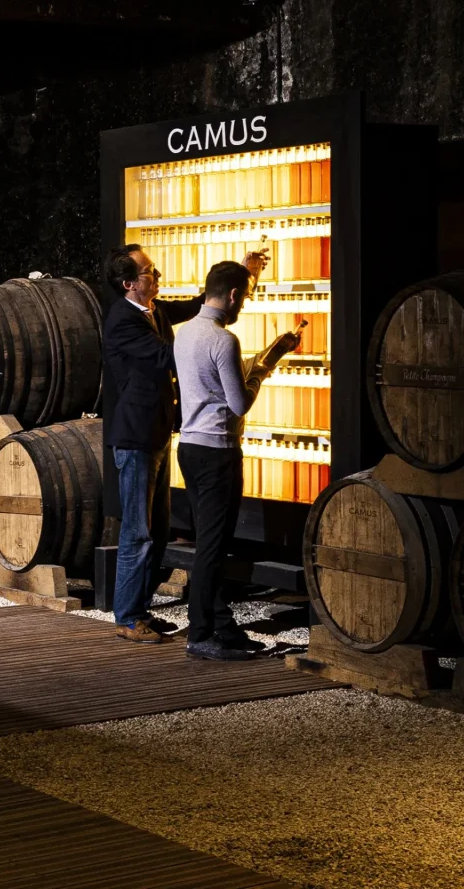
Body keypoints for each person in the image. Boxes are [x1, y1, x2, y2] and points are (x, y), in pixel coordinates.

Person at [103, 244, 266, 644]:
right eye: (149, 273)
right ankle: (127, 617)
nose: (157, 277)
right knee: (138, 531)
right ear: (130, 284)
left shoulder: (153, 310)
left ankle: (140, 610)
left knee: (158, 531)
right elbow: (167, 356)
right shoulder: (123, 321)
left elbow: (197, 305)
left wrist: (240, 276)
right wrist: (212, 345)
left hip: (159, 433)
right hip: (135, 437)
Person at [173, 260, 300, 661]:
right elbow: (239, 401)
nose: (243, 305)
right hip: (218, 453)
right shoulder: (223, 340)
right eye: (244, 296)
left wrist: (273, 351)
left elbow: (213, 384)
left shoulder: (184, 332)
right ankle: (201, 634)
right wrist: (263, 370)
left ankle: (222, 627)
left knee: (207, 542)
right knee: (213, 546)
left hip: (190, 448)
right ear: (231, 295)